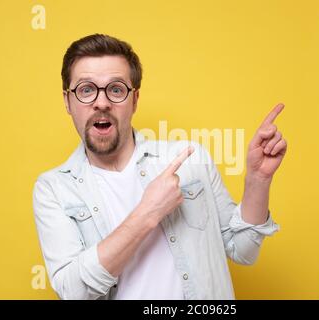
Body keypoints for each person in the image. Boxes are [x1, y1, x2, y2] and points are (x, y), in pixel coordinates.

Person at [33, 34, 287, 300]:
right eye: (86, 89)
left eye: (116, 89)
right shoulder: (53, 189)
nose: (102, 102)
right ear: (67, 101)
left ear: (135, 99)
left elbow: (243, 250)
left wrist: (258, 180)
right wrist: (148, 212)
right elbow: (73, 292)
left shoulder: (189, 159)